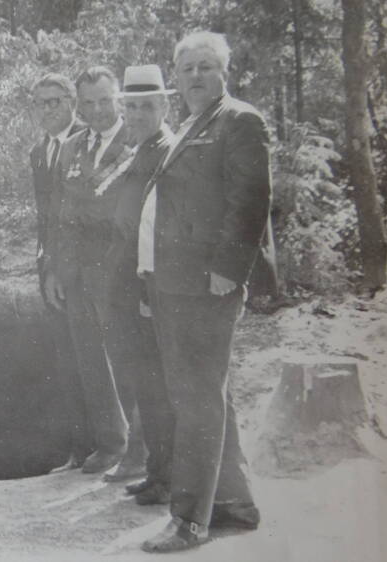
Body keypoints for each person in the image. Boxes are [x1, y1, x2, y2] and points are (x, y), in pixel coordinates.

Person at [137, 32, 272, 553]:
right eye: (187, 68)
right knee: (208, 394)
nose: (195, 76)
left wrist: (228, 270)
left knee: (195, 400)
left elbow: (251, 199)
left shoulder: (239, 120)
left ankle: (191, 521)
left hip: (206, 284)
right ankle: (235, 505)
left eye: (206, 67)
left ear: (224, 72)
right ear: (176, 76)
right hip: (173, 282)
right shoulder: (193, 123)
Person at [42, 66, 132, 474]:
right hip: (78, 274)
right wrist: (58, 271)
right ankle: (110, 443)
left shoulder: (137, 142)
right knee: (91, 360)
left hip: (121, 272)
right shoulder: (71, 147)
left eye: (105, 101)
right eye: (89, 103)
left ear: (119, 100)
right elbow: (62, 215)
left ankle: (137, 449)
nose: (98, 110)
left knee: (127, 359)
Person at [95, 65, 176, 505]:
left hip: (147, 284)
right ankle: (157, 470)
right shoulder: (139, 149)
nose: (140, 114)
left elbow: (160, 228)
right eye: (133, 106)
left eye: (149, 106)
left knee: (158, 385)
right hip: (126, 284)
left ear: (164, 106)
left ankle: (167, 476)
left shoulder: (166, 151)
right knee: (146, 383)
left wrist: (148, 285)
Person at [27, 73, 92, 472]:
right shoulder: (39, 151)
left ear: (72, 101)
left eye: (55, 101)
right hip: (52, 269)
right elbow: (46, 217)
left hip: (84, 271)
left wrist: (64, 270)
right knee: (66, 362)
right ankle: (80, 450)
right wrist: (46, 267)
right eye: (41, 103)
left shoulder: (89, 141)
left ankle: (106, 447)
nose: (48, 109)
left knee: (92, 361)